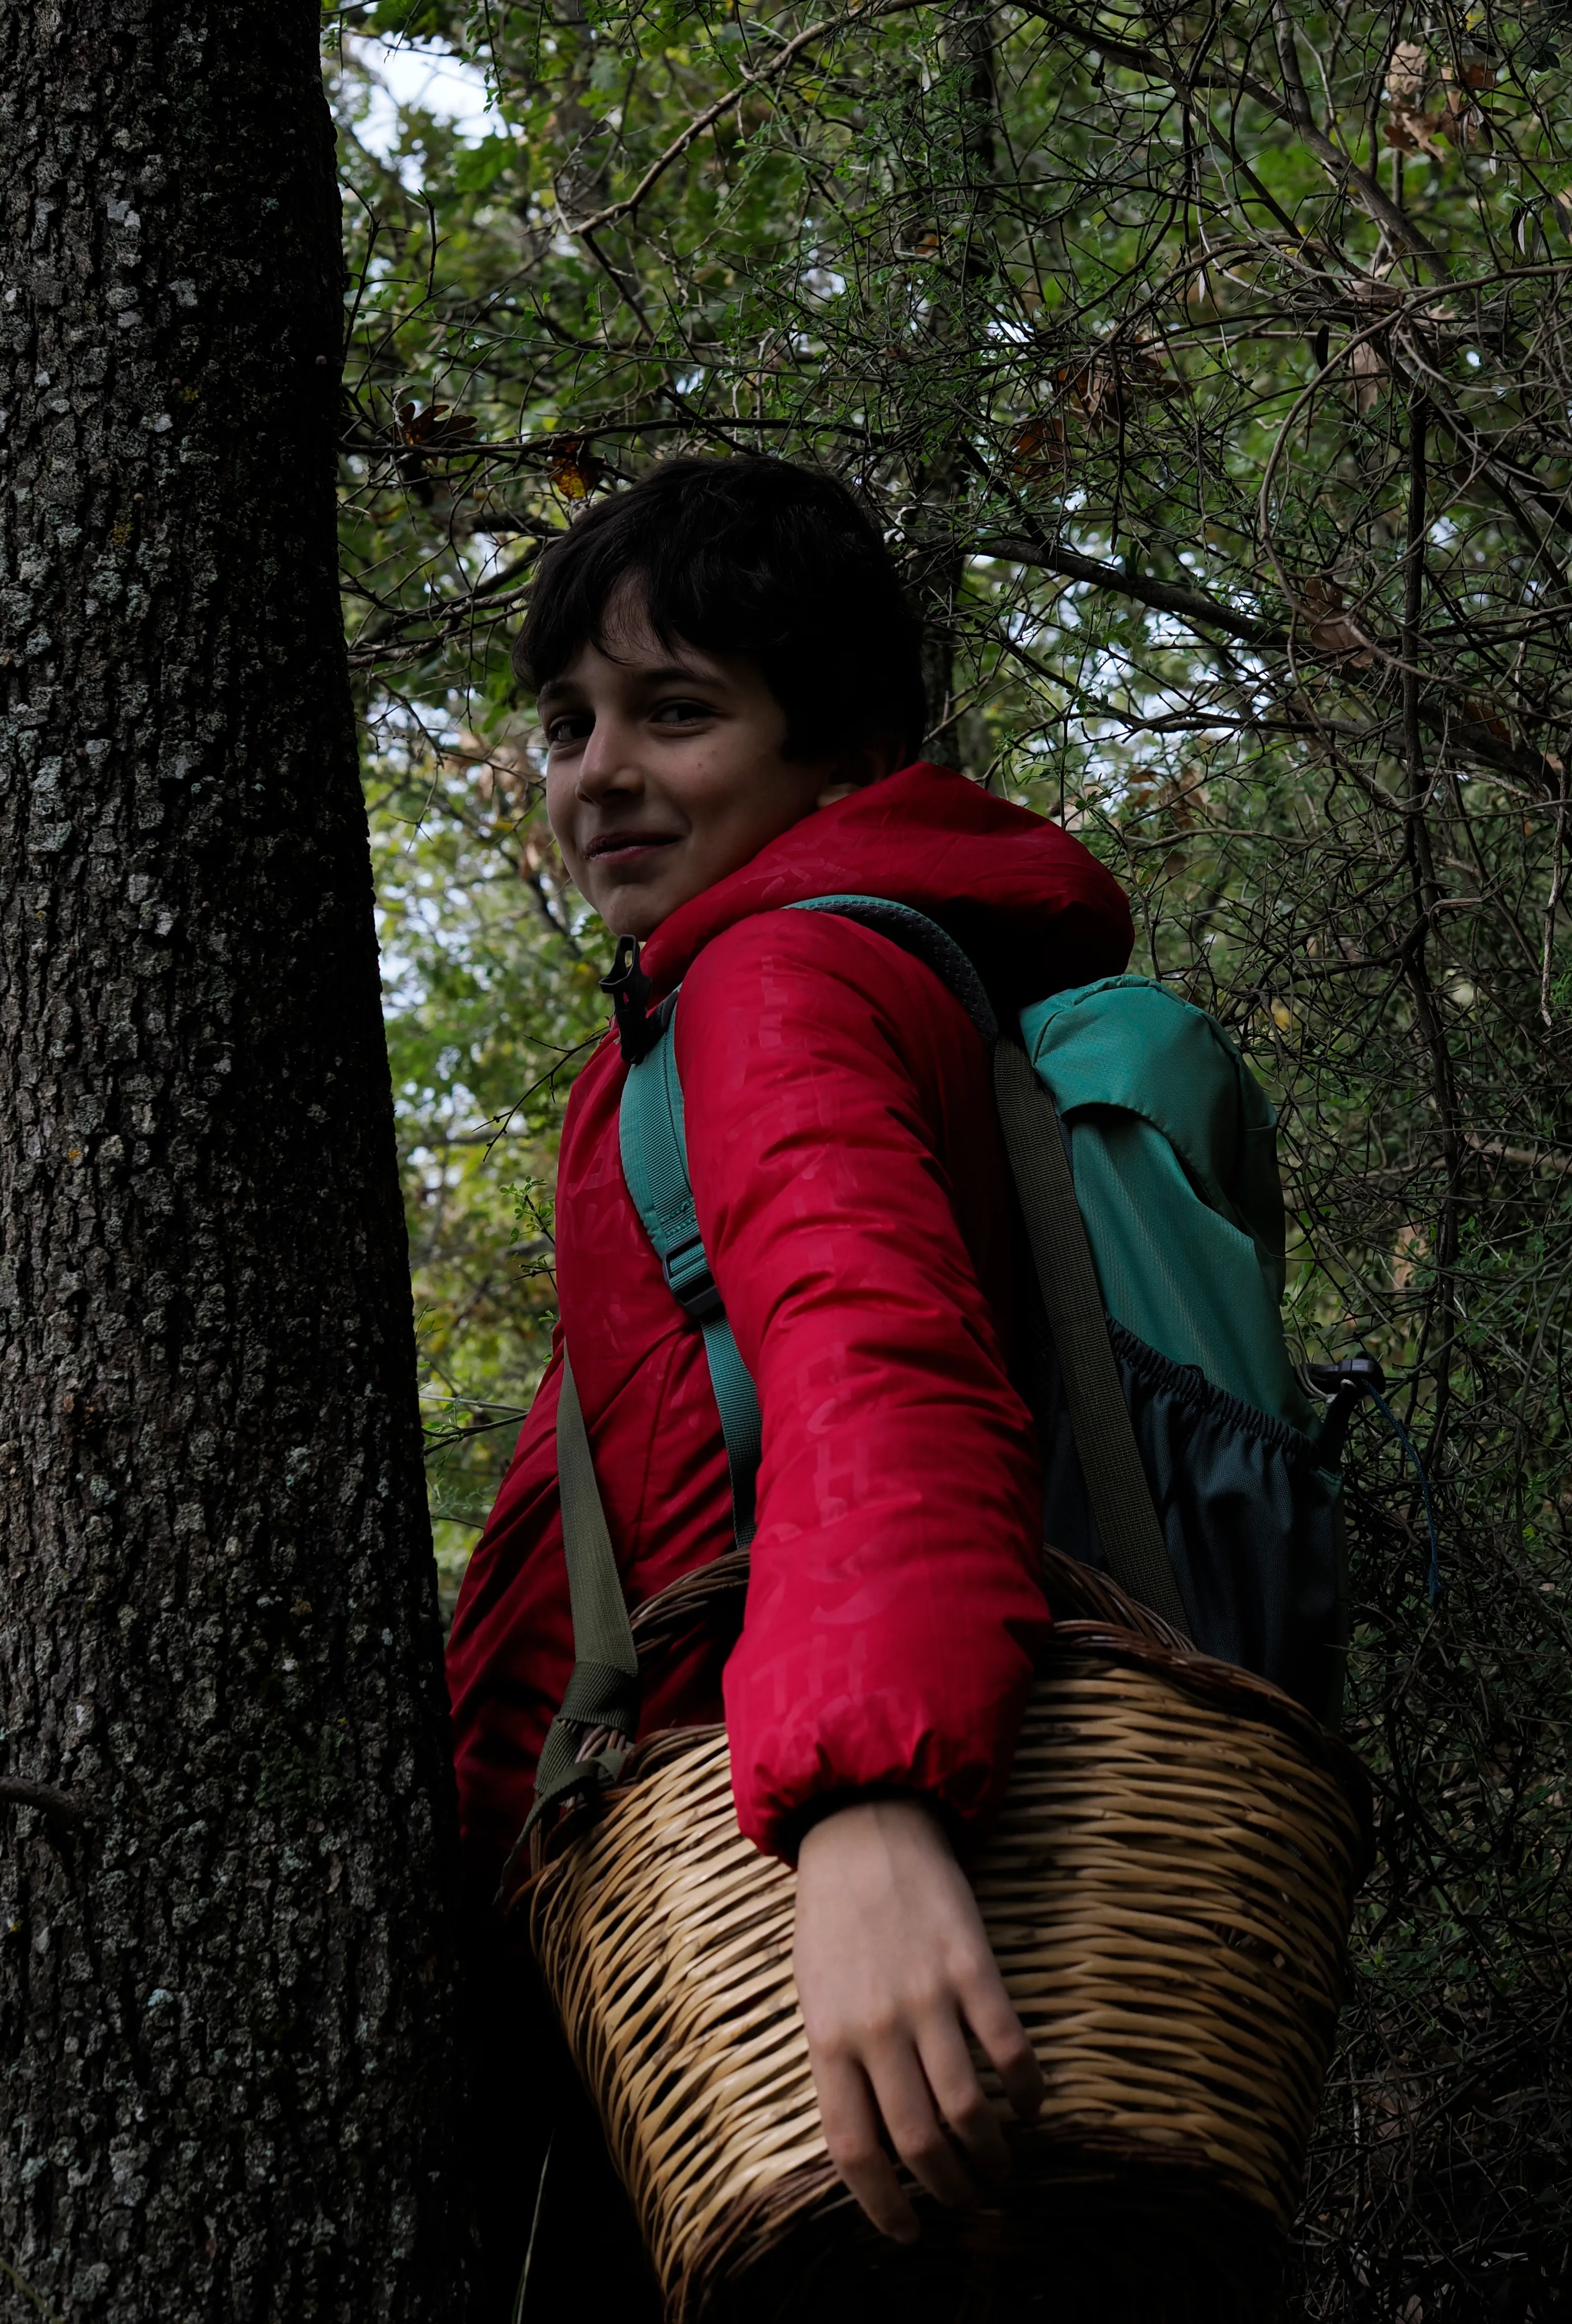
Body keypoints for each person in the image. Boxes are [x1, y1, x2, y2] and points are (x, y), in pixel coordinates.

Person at [446, 453, 1133, 2318]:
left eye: (676, 713)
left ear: (840, 761)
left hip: (772, 1940)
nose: (600, 774)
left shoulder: (775, 981)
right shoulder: (819, 980)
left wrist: (866, 1815)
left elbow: (873, 1364)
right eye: (570, 722)